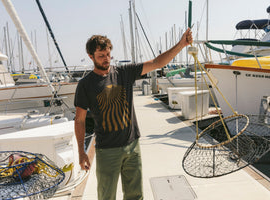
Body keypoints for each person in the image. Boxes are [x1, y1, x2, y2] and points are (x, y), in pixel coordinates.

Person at [74, 28, 193, 200]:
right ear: (91, 56)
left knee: (135, 196)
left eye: (108, 54)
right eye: (101, 55)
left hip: (132, 146)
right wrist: (81, 152)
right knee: (106, 196)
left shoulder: (123, 73)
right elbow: (79, 120)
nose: (106, 59)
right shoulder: (85, 85)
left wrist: (181, 45)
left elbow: (158, 62)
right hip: (107, 151)